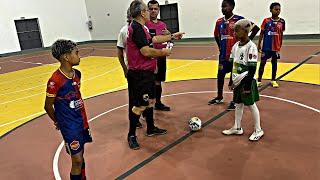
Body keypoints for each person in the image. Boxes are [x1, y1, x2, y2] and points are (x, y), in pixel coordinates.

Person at [126, 0, 184, 150]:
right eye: (146, 9)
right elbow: (145, 51)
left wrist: (172, 36)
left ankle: (150, 128)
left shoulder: (142, 27)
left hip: (147, 73)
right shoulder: (137, 28)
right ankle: (131, 135)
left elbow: (154, 39)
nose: (149, 12)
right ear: (141, 13)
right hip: (139, 75)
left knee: (151, 101)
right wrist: (162, 53)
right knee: (139, 106)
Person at [44, 39, 92, 180]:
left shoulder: (77, 74)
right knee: (76, 160)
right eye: (76, 53)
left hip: (82, 121)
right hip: (69, 125)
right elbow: (47, 106)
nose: (79, 56)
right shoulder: (55, 80)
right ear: (66, 57)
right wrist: (58, 121)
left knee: (80, 156)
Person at [208, 0, 260, 111]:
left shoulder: (239, 20)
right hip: (223, 56)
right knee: (220, 75)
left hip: (236, 56)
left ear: (232, 7)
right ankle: (219, 96)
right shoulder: (219, 22)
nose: (223, 9)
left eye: (225, 6)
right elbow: (216, 35)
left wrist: (247, 41)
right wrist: (220, 47)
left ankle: (234, 101)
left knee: (235, 78)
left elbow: (255, 28)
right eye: (222, 7)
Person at [222, 19, 264, 141]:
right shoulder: (235, 46)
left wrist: (247, 86)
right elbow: (233, 65)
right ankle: (237, 127)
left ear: (245, 31)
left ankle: (258, 129)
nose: (234, 33)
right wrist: (231, 80)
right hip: (237, 80)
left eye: (236, 30)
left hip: (247, 80)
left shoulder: (251, 47)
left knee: (251, 105)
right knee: (238, 104)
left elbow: (252, 68)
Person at [117, 7, 144, 129]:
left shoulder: (144, 28)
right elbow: (119, 52)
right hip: (133, 69)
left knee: (145, 95)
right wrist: (124, 69)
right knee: (133, 97)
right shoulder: (124, 31)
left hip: (145, 69)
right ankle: (134, 120)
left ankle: (148, 120)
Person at [146, 0, 171, 111]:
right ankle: (147, 107)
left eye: (155, 9)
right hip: (149, 58)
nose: (153, 11)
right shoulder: (145, 24)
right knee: (149, 83)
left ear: (158, 10)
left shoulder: (162, 24)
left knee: (158, 81)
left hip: (161, 57)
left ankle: (158, 103)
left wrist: (169, 36)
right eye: (151, 9)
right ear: (147, 10)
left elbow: (167, 38)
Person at [257, 2, 285, 88]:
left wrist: (280, 44)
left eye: (279, 9)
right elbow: (261, 33)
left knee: (274, 63)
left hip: (275, 47)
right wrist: (259, 44)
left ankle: (273, 80)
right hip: (266, 47)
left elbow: (281, 34)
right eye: (276, 9)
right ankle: (259, 80)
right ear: (271, 10)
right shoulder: (266, 21)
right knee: (262, 63)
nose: (278, 11)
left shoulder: (282, 21)